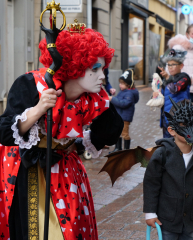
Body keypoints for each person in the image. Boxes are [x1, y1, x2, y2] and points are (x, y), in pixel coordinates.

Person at [0, 24, 123, 239]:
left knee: (72, 228)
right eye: (94, 69)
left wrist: (106, 104)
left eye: (103, 69)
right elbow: (3, 131)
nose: (102, 76)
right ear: (73, 67)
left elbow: (108, 133)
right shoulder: (31, 85)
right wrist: (38, 110)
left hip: (66, 170)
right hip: (27, 169)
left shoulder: (92, 99)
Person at [143, 96, 193, 240]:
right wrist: (150, 212)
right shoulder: (161, 154)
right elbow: (151, 184)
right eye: (183, 124)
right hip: (167, 217)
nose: (190, 129)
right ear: (172, 130)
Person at [167, 24, 193, 108]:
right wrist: (186, 80)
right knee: (185, 119)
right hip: (185, 91)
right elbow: (169, 68)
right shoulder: (179, 48)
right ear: (187, 34)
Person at [159, 49, 191, 138]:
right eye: (168, 65)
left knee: (179, 145)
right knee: (167, 144)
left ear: (181, 65)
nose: (170, 67)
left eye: (173, 64)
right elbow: (162, 96)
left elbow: (174, 89)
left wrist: (167, 78)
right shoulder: (167, 79)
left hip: (179, 119)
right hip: (167, 118)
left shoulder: (184, 78)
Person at [109, 69, 139, 151]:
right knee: (118, 133)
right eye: (120, 83)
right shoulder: (123, 91)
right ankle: (118, 148)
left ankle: (126, 150)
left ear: (128, 84)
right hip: (119, 116)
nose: (120, 85)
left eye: (122, 83)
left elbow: (124, 103)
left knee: (125, 134)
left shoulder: (129, 93)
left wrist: (112, 99)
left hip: (124, 117)